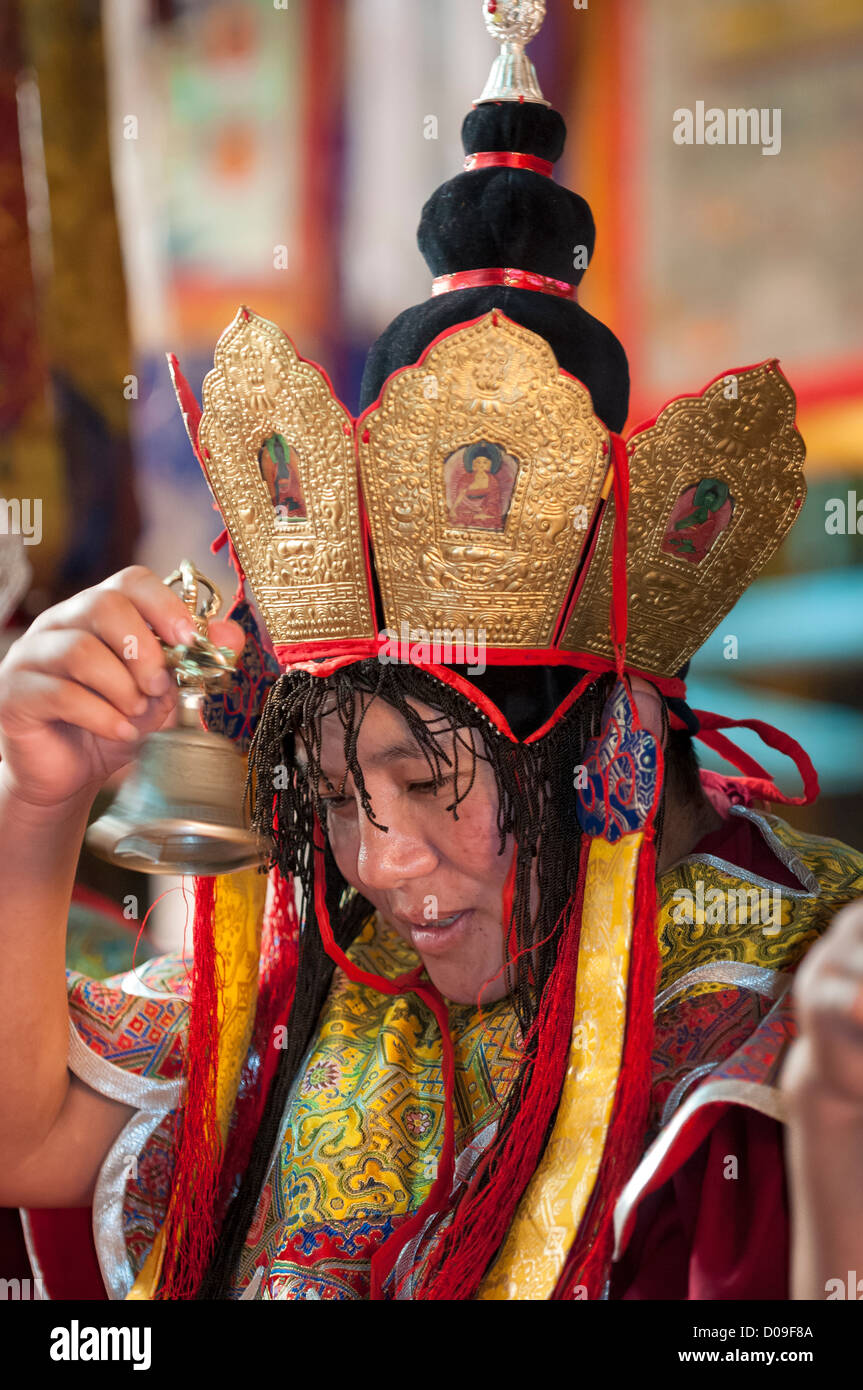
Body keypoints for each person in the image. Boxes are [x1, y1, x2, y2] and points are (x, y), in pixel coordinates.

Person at [2, 1, 861, 1302]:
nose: (382, 861)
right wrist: (36, 802)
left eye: (429, 776)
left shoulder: (805, 980)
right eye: (340, 795)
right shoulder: (345, 970)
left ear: (609, 744)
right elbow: (30, 1135)